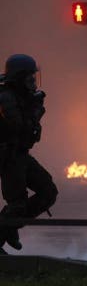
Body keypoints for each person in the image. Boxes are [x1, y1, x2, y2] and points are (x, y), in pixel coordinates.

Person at [0, 54, 58, 254]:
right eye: (30, 78)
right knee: (17, 205)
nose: (33, 83)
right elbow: (19, 128)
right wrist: (34, 110)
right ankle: (4, 231)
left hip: (20, 155)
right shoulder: (6, 98)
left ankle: (9, 227)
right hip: (8, 157)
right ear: (19, 78)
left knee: (48, 192)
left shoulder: (22, 97)